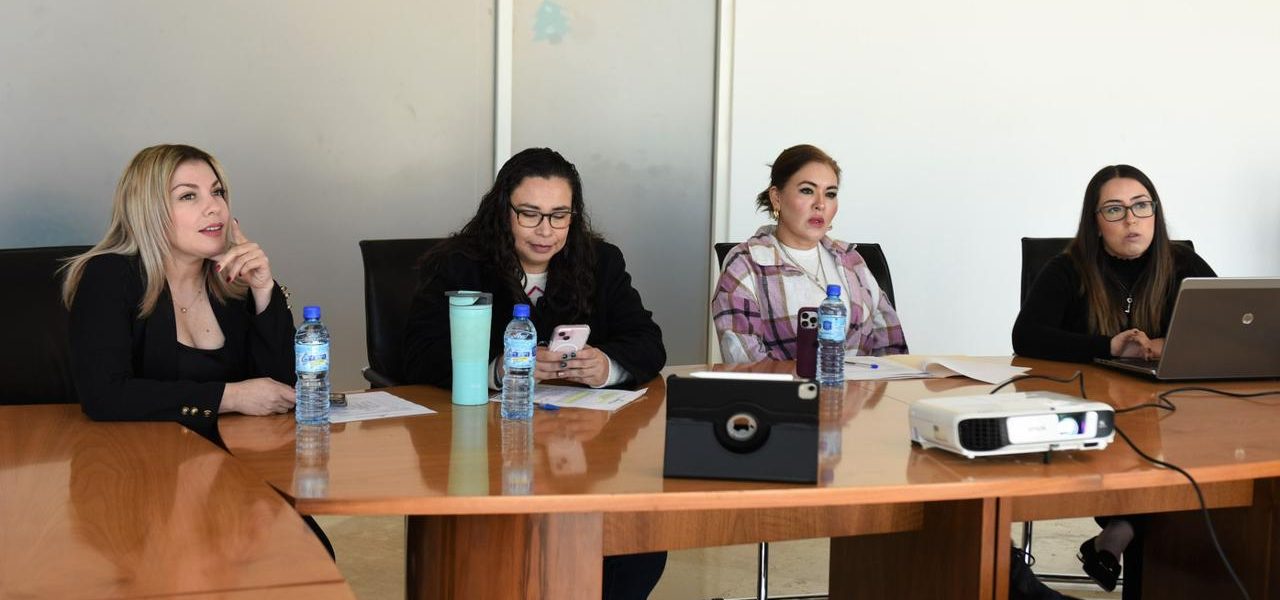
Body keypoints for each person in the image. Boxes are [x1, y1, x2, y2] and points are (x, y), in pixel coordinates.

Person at [402, 147, 666, 599]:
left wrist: (605, 365)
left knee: (638, 535)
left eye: (559, 216)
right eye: (530, 214)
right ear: (503, 211)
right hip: (480, 450)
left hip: (578, 448)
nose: (546, 230)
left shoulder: (600, 261)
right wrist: (500, 367)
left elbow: (647, 340)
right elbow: (417, 354)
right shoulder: (460, 264)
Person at [61, 144, 330, 555]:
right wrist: (231, 396)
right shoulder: (110, 276)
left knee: (308, 555)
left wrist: (263, 290)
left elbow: (282, 389)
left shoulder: (230, 284)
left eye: (217, 192)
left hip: (234, 467)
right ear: (148, 210)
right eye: (189, 196)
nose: (213, 208)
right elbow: (105, 394)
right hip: (142, 475)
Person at [1013, 164, 1216, 597]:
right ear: (1096, 221)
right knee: (1142, 450)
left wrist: (1164, 344)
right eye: (1114, 209)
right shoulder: (1068, 269)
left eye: (1141, 206)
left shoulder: (1182, 263)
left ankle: (1121, 530)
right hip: (1089, 412)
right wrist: (1108, 346)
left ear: (1155, 212)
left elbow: (1222, 324)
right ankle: (1121, 529)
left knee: (1198, 450)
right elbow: (1026, 336)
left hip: (1171, 410)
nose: (1130, 219)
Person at [712, 144, 907, 363]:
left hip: (861, 386)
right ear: (776, 198)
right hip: (788, 387)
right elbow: (744, 363)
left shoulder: (852, 260)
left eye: (830, 194)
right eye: (807, 190)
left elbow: (893, 352)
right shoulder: (745, 264)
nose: (820, 204)